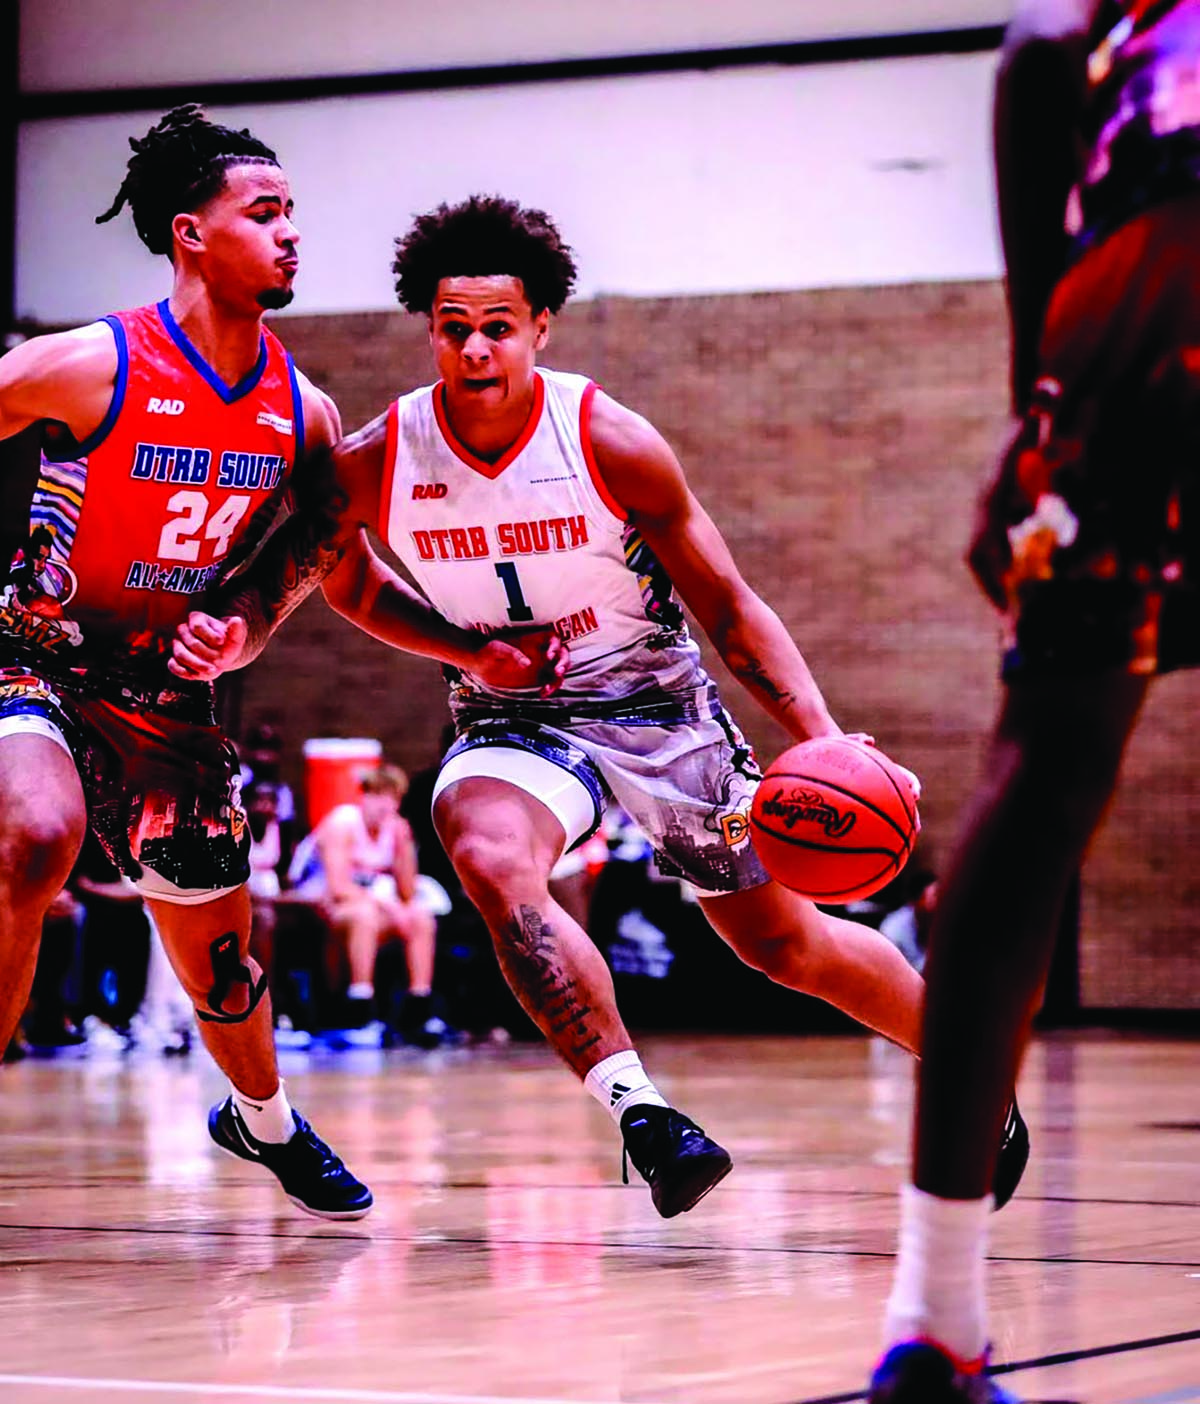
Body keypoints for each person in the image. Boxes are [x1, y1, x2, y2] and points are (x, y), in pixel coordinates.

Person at [182, 195, 1028, 1220]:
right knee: (487, 854)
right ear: (430, 331)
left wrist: (825, 740)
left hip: (658, 707)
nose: (475, 349)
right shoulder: (383, 455)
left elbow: (730, 608)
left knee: (782, 945)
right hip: (513, 715)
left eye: (498, 327)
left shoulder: (608, 439)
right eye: (453, 328)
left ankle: (972, 1074)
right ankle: (644, 1116)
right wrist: (447, 649)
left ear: (541, 326)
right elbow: (323, 583)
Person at [0, 107, 563, 1221]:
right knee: (32, 835)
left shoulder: (302, 414)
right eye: (265, 213)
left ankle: (261, 1119)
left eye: (293, 212)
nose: (293, 231)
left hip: (166, 703)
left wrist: (470, 649)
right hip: (37, 661)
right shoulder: (90, 363)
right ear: (190, 234)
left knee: (218, 960)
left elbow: (348, 582)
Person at [868, 3, 1200, 1398]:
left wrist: (1035, 409)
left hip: (1152, 272)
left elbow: (1043, 48)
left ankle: (936, 1318)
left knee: (1046, 773)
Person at [288, 762, 452, 1046]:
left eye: (391, 797)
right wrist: (389, 907)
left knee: (420, 916)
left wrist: (404, 846)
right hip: (315, 903)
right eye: (377, 795)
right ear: (363, 796)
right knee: (364, 915)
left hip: (368, 906)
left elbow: (407, 892)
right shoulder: (343, 823)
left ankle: (419, 1008)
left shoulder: (395, 828)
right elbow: (338, 888)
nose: (383, 805)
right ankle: (358, 1010)